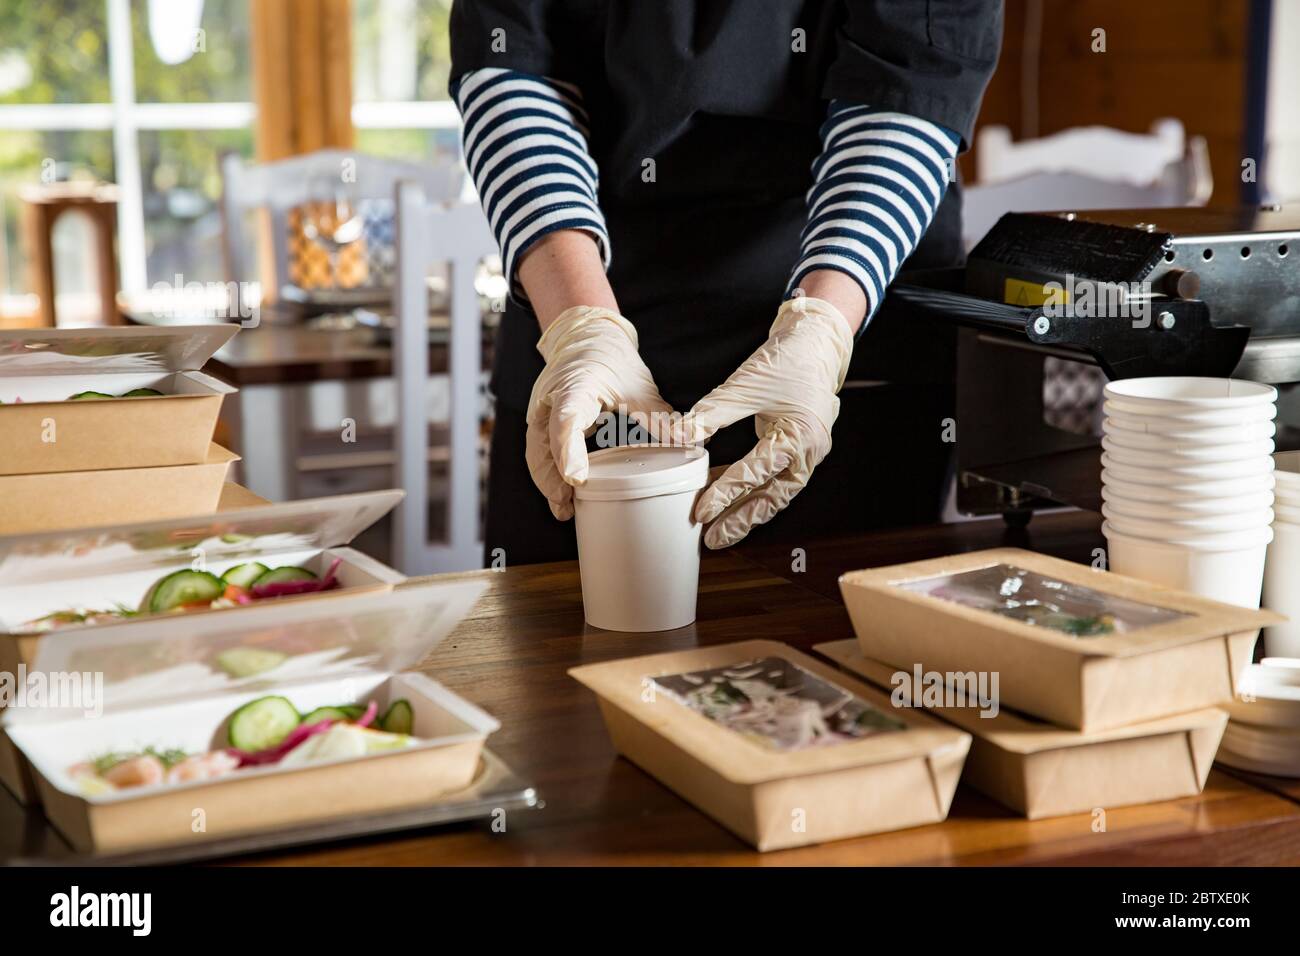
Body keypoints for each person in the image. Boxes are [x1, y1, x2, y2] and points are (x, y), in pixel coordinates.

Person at [449, 1, 1002, 566]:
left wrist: (822, 329)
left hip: (851, 340)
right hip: (578, 304)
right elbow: (515, 68)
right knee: (550, 640)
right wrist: (580, 326)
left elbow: (908, 84)